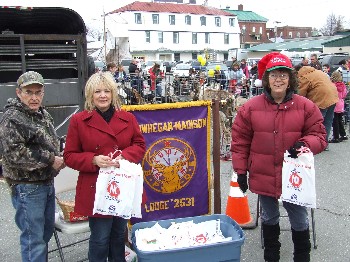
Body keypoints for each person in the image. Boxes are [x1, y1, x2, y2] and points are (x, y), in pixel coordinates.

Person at [231, 52, 327, 262]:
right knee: (269, 217)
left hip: (295, 177)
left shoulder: (305, 106)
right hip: (263, 173)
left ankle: (302, 255)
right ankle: (271, 255)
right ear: (266, 79)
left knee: (299, 219)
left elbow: (319, 136)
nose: (279, 79)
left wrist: (305, 144)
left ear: (290, 79)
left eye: (283, 74)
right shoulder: (250, 107)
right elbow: (240, 142)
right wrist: (240, 171)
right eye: (274, 75)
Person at [63, 71, 146, 262]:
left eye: (107, 91)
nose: (103, 95)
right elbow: (69, 156)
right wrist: (93, 160)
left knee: (118, 236)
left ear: (113, 93)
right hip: (96, 188)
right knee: (100, 238)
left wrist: (123, 157)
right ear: (90, 95)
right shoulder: (79, 121)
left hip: (123, 185)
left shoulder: (128, 118)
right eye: (98, 91)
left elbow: (140, 146)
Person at [0, 71, 65, 261]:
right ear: (19, 93)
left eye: (38, 92)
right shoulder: (12, 118)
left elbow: (48, 142)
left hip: (45, 182)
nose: (34, 97)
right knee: (33, 240)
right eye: (29, 92)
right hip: (28, 187)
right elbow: (14, 155)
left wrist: (63, 148)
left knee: (43, 235)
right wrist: (51, 159)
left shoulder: (41, 114)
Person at [295, 64, 339, 150]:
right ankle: (324, 143)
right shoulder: (318, 72)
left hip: (321, 99)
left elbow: (300, 94)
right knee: (327, 122)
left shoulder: (303, 76)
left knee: (315, 122)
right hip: (333, 97)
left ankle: (314, 143)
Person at [329, 70, 348, 143]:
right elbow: (344, 94)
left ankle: (336, 136)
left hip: (334, 103)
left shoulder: (333, 85)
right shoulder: (343, 85)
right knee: (340, 120)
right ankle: (343, 134)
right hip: (341, 103)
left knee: (335, 121)